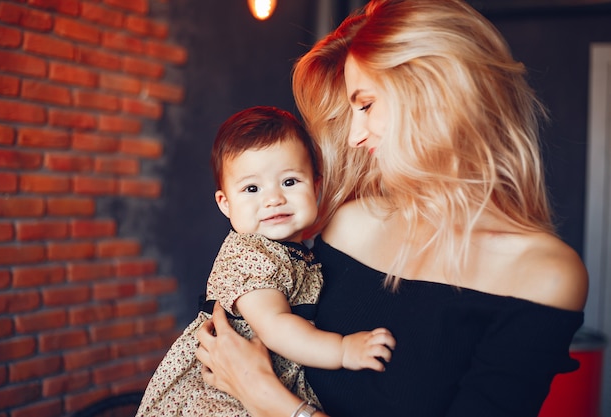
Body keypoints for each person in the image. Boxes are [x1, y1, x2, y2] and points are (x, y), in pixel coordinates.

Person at [195, 1, 589, 416]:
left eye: (365, 105)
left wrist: (267, 398)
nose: (354, 137)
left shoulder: (544, 275)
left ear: (434, 91)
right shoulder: (351, 224)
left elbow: (263, 382)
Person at [136, 106, 395, 417]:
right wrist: (343, 350)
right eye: (252, 189)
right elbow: (274, 327)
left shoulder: (300, 253)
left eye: (289, 182)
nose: (273, 199)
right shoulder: (249, 254)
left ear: (316, 186)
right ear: (225, 203)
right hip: (217, 400)